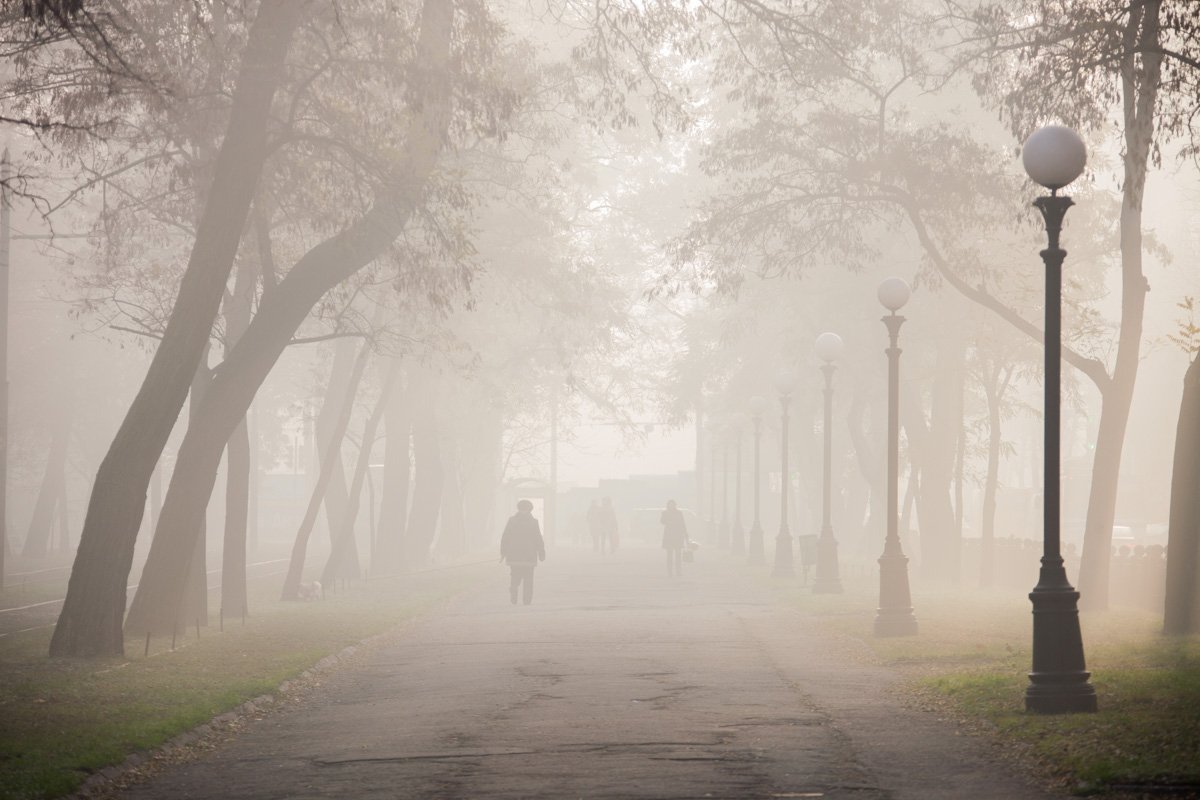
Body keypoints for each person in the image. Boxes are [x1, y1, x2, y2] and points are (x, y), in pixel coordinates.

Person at [501, 499, 546, 605]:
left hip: (516, 555)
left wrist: (503, 552)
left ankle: (516, 591)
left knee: (517, 577)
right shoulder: (533, 522)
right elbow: (538, 538)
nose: (524, 511)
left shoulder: (512, 520)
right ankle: (524, 599)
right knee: (526, 578)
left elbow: (505, 537)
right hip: (528, 555)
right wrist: (541, 552)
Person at [660, 500, 688, 576]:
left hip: (678, 535)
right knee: (669, 555)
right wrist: (668, 520)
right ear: (668, 505)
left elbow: (682, 523)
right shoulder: (665, 513)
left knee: (678, 555)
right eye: (670, 505)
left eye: (673, 505)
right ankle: (670, 572)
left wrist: (685, 534)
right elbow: (662, 521)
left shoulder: (679, 513)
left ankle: (678, 571)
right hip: (669, 536)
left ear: (675, 505)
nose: (671, 506)